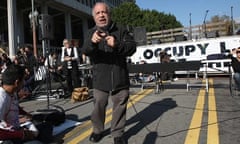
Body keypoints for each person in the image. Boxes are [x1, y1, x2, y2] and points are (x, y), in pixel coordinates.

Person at [82, 2, 136, 144]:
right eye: (98, 13)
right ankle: (97, 130)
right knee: (99, 104)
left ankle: (117, 133)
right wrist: (92, 42)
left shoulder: (121, 30)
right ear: (94, 17)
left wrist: (117, 44)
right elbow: (85, 50)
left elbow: (132, 47)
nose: (101, 15)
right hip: (100, 78)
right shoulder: (90, 32)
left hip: (119, 76)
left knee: (120, 105)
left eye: (104, 12)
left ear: (109, 14)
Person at [0, 64, 41, 143]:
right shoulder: (1, 99)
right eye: (23, 80)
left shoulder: (12, 92)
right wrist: (21, 134)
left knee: (45, 127)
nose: (24, 83)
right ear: (17, 82)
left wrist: (26, 114)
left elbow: (13, 106)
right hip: (6, 136)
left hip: (15, 129)